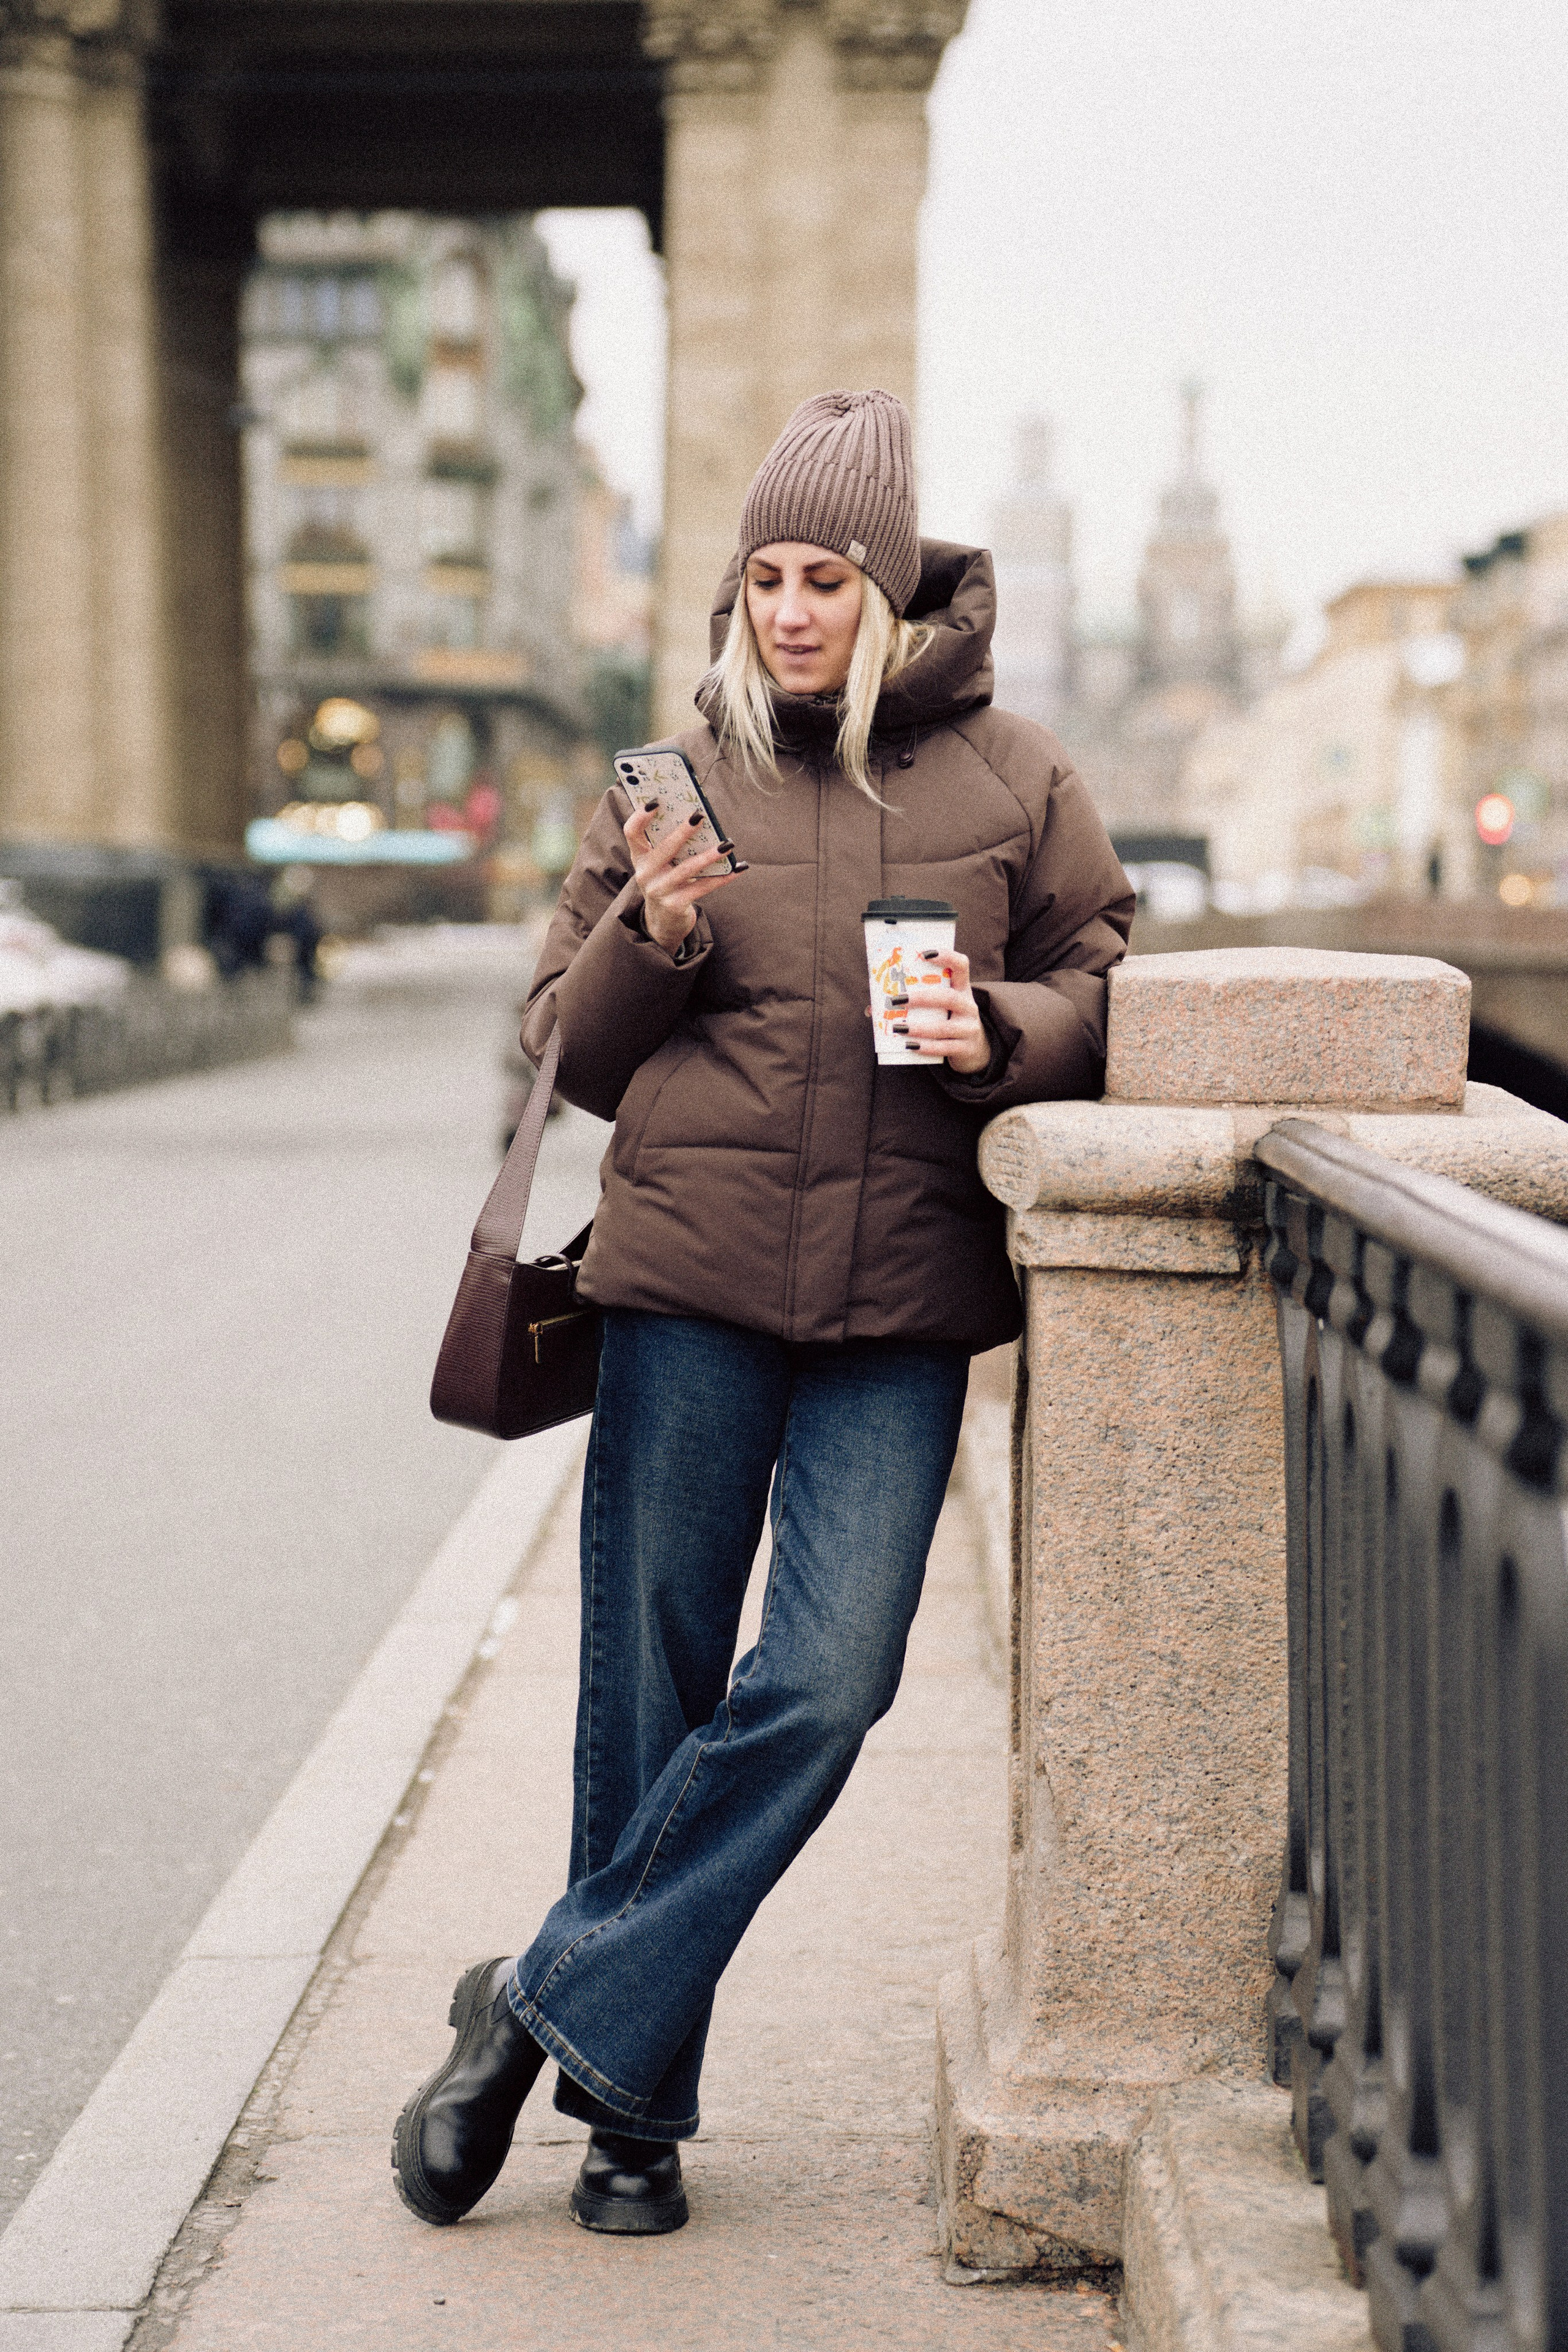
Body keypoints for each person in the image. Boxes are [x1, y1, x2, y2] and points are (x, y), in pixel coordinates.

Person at [392, 390, 1133, 2239]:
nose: (790, 610)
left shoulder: (1015, 780)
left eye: (826, 578)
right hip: (691, 1287)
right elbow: (557, 1050)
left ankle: (536, 2004)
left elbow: (1110, 980)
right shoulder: (669, 776)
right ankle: (635, 2120)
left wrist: (1006, 1028)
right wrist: (649, 932)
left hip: (900, 1304)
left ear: (890, 593)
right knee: (651, 1690)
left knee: (823, 1680)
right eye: (765, 577)